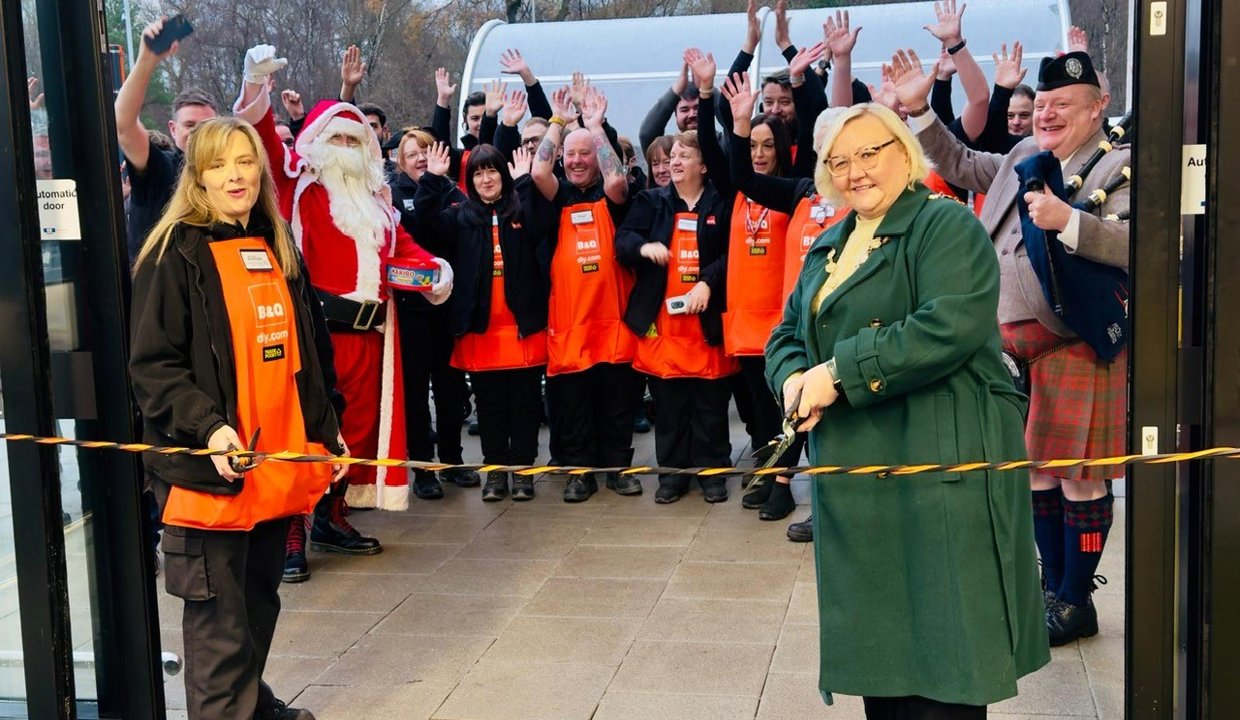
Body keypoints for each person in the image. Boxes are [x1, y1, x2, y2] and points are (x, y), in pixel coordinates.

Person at [765, 102, 1049, 717]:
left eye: (870, 152)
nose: (855, 171)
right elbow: (786, 333)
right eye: (839, 161)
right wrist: (793, 381)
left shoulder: (945, 226)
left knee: (946, 659)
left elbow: (945, 326)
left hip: (938, 470)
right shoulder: (831, 243)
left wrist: (837, 373)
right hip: (863, 477)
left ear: (903, 151)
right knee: (884, 656)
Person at [893, 48, 1129, 646]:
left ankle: (1077, 600)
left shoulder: (1117, 166)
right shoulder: (1024, 154)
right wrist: (920, 109)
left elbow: (1142, 243)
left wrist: (1067, 221)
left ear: (1099, 107)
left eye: (1062, 105)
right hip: (1009, 351)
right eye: (1042, 104)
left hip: (1076, 343)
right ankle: (1051, 590)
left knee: (1079, 477)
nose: (1047, 114)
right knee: (1034, 474)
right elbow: (960, 161)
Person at [129, 116, 346, 720]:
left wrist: (327, 431)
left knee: (255, 610)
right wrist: (208, 427)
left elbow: (308, 358)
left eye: (246, 162)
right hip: (211, 479)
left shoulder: (276, 245)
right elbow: (153, 368)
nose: (235, 176)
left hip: (273, 474)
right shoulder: (172, 254)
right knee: (219, 630)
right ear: (197, 176)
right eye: (220, 164)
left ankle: (253, 707)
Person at [234, 44, 453, 582]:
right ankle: (294, 531)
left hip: (372, 335)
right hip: (316, 333)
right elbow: (262, 138)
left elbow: (403, 251)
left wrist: (435, 271)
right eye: (336, 136)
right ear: (316, 142)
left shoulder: (377, 198)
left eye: (356, 138)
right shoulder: (298, 183)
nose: (347, 145)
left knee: (357, 429)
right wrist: (255, 82)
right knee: (310, 431)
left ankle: (333, 517)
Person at [686, 50, 801, 520]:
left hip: (780, 321)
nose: (757, 153)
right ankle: (763, 469)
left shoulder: (793, 190)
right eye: (751, 145)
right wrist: (709, 92)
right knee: (757, 410)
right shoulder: (736, 190)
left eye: (766, 145)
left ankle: (782, 483)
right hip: (744, 323)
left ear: (782, 150)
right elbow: (717, 154)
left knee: (785, 409)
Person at [414, 143, 550, 501]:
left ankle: (522, 472)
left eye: (492, 171)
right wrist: (432, 178)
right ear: (469, 180)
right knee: (489, 407)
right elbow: (424, 224)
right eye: (478, 172)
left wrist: (524, 183)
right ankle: (495, 473)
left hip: (523, 329)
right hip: (481, 330)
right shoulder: (460, 216)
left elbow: (546, 221)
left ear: (503, 175)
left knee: (525, 404)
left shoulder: (521, 208)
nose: (486, 178)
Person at [531, 85, 642, 502]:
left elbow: (616, 178)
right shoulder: (557, 195)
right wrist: (558, 122)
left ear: (596, 155)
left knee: (616, 403)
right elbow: (539, 173)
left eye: (585, 154)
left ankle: (619, 468)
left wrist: (594, 126)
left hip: (612, 320)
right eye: (570, 156)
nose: (577, 161)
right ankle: (581, 473)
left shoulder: (612, 196)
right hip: (570, 322)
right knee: (574, 406)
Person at [617, 129, 738, 503]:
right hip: (663, 324)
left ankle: (713, 472)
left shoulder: (721, 203)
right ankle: (672, 474)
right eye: (673, 157)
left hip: (705, 322)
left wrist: (707, 283)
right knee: (668, 405)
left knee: (710, 403)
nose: (675, 162)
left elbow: (732, 254)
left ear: (704, 165)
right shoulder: (651, 201)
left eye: (684, 156)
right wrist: (644, 246)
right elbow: (622, 241)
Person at [388, 129, 478, 498]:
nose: (420, 159)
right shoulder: (391, 196)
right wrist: (430, 182)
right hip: (411, 311)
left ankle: (453, 459)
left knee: (451, 389)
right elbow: (415, 232)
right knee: (414, 393)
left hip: (448, 309)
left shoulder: (453, 193)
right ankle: (424, 469)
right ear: (400, 161)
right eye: (412, 154)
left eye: (426, 150)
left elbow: (453, 235)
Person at [115, 17, 218, 262]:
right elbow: (124, 124)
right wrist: (146, 61)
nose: (197, 132)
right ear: (172, 128)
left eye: (205, 126)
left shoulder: (229, 176)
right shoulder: (161, 169)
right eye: (189, 125)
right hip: (162, 293)